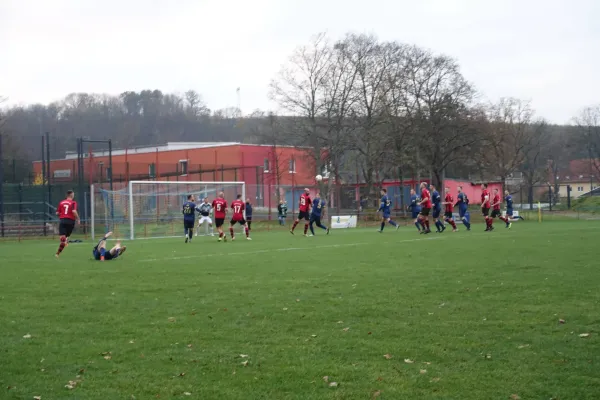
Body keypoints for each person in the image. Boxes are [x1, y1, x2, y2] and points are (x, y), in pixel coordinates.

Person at [55, 190, 80, 258]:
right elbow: (74, 211)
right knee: (65, 238)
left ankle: (58, 251)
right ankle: (58, 252)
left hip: (63, 220)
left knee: (62, 239)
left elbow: (57, 213)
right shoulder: (73, 203)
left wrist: (62, 214)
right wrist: (78, 218)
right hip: (71, 222)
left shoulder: (61, 202)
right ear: (71, 195)